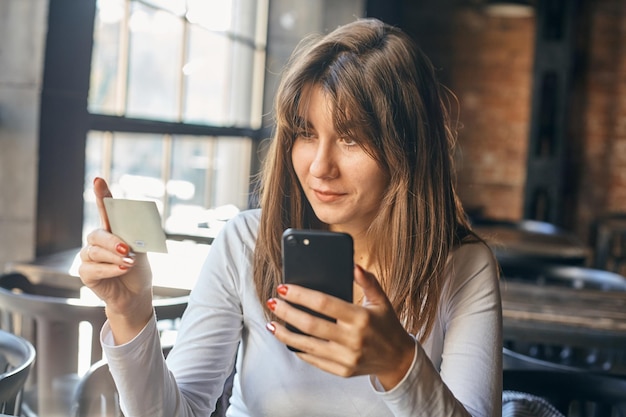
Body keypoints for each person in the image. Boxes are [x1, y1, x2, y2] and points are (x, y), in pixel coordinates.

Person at [79, 18, 502, 417]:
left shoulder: (463, 266)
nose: (320, 167)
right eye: (306, 132)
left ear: (408, 147)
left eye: (352, 139)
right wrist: (130, 311)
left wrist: (399, 364)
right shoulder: (246, 242)